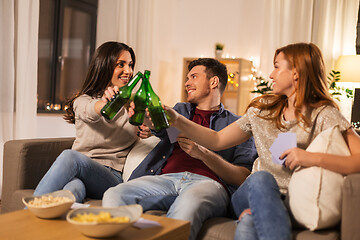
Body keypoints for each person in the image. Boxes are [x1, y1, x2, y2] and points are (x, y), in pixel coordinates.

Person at [162, 43, 360, 240]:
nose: (271, 75)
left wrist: (309, 157)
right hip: (249, 192)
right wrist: (177, 120)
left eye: (276, 66)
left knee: (249, 224)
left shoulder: (324, 115)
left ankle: (256, 213)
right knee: (262, 178)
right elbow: (217, 139)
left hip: (290, 200)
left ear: (296, 73)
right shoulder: (263, 109)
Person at [103, 58, 257, 240]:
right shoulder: (180, 111)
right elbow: (158, 125)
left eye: (193, 77)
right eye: (187, 78)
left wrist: (203, 155)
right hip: (165, 180)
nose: (186, 83)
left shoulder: (237, 125)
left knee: (189, 203)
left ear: (213, 81)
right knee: (115, 194)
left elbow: (242, 176)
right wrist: (138, 112)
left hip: (207, 185)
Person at [33, 41, 152, 203]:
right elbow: (91, 111)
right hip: (78, 171)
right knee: (73, 188)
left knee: (70, 157)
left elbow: (154, 125)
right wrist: (105, 103)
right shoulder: (83, 100)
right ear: (104, 66)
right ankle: (56, 220)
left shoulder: (133, 106)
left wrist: (149, 130)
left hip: (110, 177)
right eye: (121, 65)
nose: (128, 71)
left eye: (130, 65)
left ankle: (29, 211)